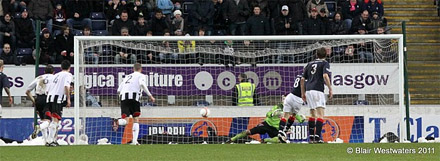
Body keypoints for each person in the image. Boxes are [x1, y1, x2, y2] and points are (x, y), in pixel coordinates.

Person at [114, 63, 155, 145]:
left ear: (133, 69)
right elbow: (142, 84)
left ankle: (117, 121)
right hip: (134, 98)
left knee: (126, 121)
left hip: (123, 98)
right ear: (141, 69)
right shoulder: (141, 76)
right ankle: (134, 141)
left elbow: (119, 89)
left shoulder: (127, 76)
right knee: (135, 119)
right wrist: (150, 96)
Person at [301, 47, 333, 143]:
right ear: (326, 54)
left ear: (316, 54)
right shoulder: (325, 63)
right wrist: (330, 88)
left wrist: (303, 92)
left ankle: (311, 137)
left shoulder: (309, 64)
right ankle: (318, 137)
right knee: (320, 114)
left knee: (312, 113)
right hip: (318, 90)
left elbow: (302, 79)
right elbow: (325, 75)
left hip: (309, 90)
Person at [45, 60, 73, 146]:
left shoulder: (56, 75)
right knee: (55, 119)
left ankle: (52, 140)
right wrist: (68, 99)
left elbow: (47, 89)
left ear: (61, 67)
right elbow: (66, 86)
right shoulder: (68, 75)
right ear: (69, 68)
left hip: (49, 98)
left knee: (54, 119)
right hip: (57, 99)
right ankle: (50, 141)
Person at [26, 65, 54, 141]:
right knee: (48, 120)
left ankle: (45, 141)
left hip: (38, 99)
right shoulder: (54, 78)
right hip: (47, 99)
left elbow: (27, 91)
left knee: (43, 120)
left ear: (44, 72)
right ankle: (39, 127)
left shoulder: (39, 78)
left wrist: (34, 101)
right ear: (53, 72)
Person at [277, 75, 306, 143]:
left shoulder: (299, 76)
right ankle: (285, 131)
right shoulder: (307, 79)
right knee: (293, 115)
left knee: (285, 116)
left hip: (290, 96)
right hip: (298, 99)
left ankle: (280, 132)